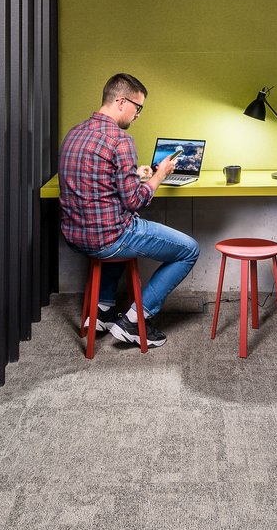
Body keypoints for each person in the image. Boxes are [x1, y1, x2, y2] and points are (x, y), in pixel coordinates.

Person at [58, 72, 200, 348]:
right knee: (189, 250)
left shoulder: (74, 133)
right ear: (121, 102)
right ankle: (135, 321)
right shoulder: (120, 140)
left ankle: (102, 310)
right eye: (138, 108)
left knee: (120, 227)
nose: (138, 115)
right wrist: (160, 175)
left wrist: (133, 174)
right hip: (109, 239)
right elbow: (135, 201)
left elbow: (93, 179)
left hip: (75, 237)